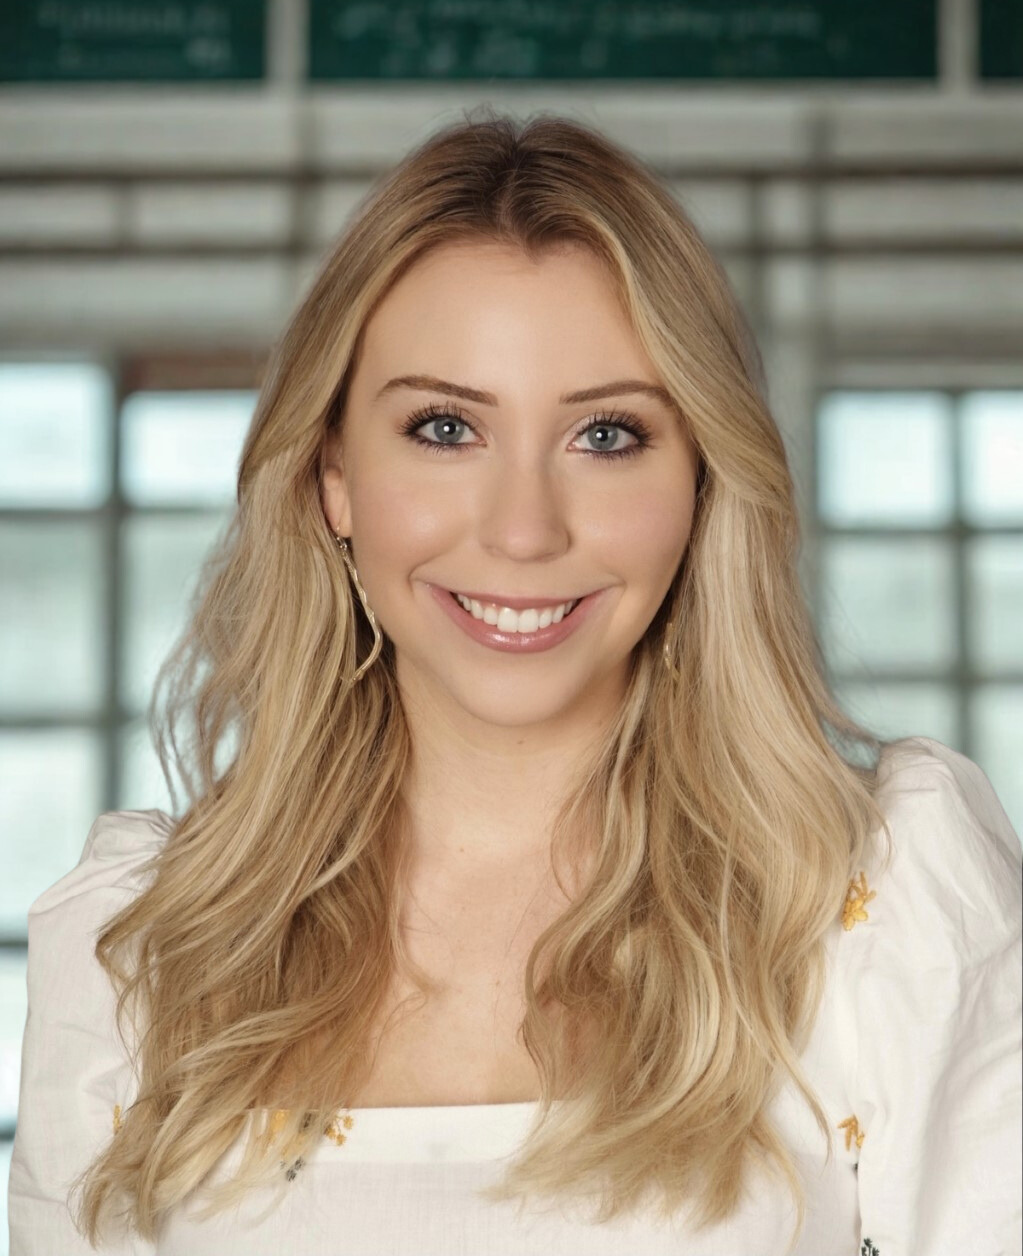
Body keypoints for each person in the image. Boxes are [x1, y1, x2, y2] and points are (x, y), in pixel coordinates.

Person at [9, 109, 1022, 1256]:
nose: (525, 529)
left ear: (701, 477)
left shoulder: (879, 903)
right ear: (334, 473)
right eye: (445, 426)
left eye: (607, 434)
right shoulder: (143, 946)